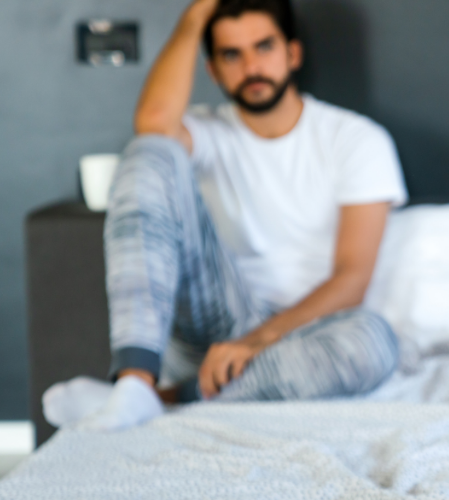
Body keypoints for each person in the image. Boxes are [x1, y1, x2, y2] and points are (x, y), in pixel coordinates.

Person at [43, 0, 407, 431]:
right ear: (212, 69)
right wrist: (197, 13)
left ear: (292, 53)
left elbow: (353, 278)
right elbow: (154, 122)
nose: (251, 66)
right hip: (211, 323)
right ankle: (136, 377)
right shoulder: (205, 131)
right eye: (231, 55)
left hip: (302, 336)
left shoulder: (356, 140)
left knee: (374, 341)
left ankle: (166, 399)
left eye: (263, 47)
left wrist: (255, 342)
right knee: (152, 149)